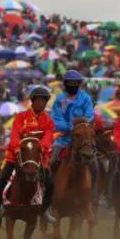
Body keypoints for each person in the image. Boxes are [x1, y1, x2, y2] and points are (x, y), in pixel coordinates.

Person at [0, 85, 54, 218]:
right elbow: (14, 136)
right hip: (17, 156)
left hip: (37, 156)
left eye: (44, 100)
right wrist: (17, 150)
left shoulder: (48, 121)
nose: (41, 103)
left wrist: (41, 148)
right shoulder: (20, 117)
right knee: (1, 179)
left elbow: (48, 137)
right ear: (32, 101)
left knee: (50, 183)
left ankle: (45, 210)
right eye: (39, 100)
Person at [48, 70, 99, 221]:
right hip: (63, 140)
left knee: (95, 166)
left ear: (79, 84)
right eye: (69, 83)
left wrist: (81, 127)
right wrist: (71, 127)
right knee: (51, 163)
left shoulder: (86, 98)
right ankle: (47, 199)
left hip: (83, 139)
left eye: (75, 83)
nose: (72, 86)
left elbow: (89, 116)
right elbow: (56, 120)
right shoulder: (60, 99)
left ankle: (93, 199)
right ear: (65, 84)